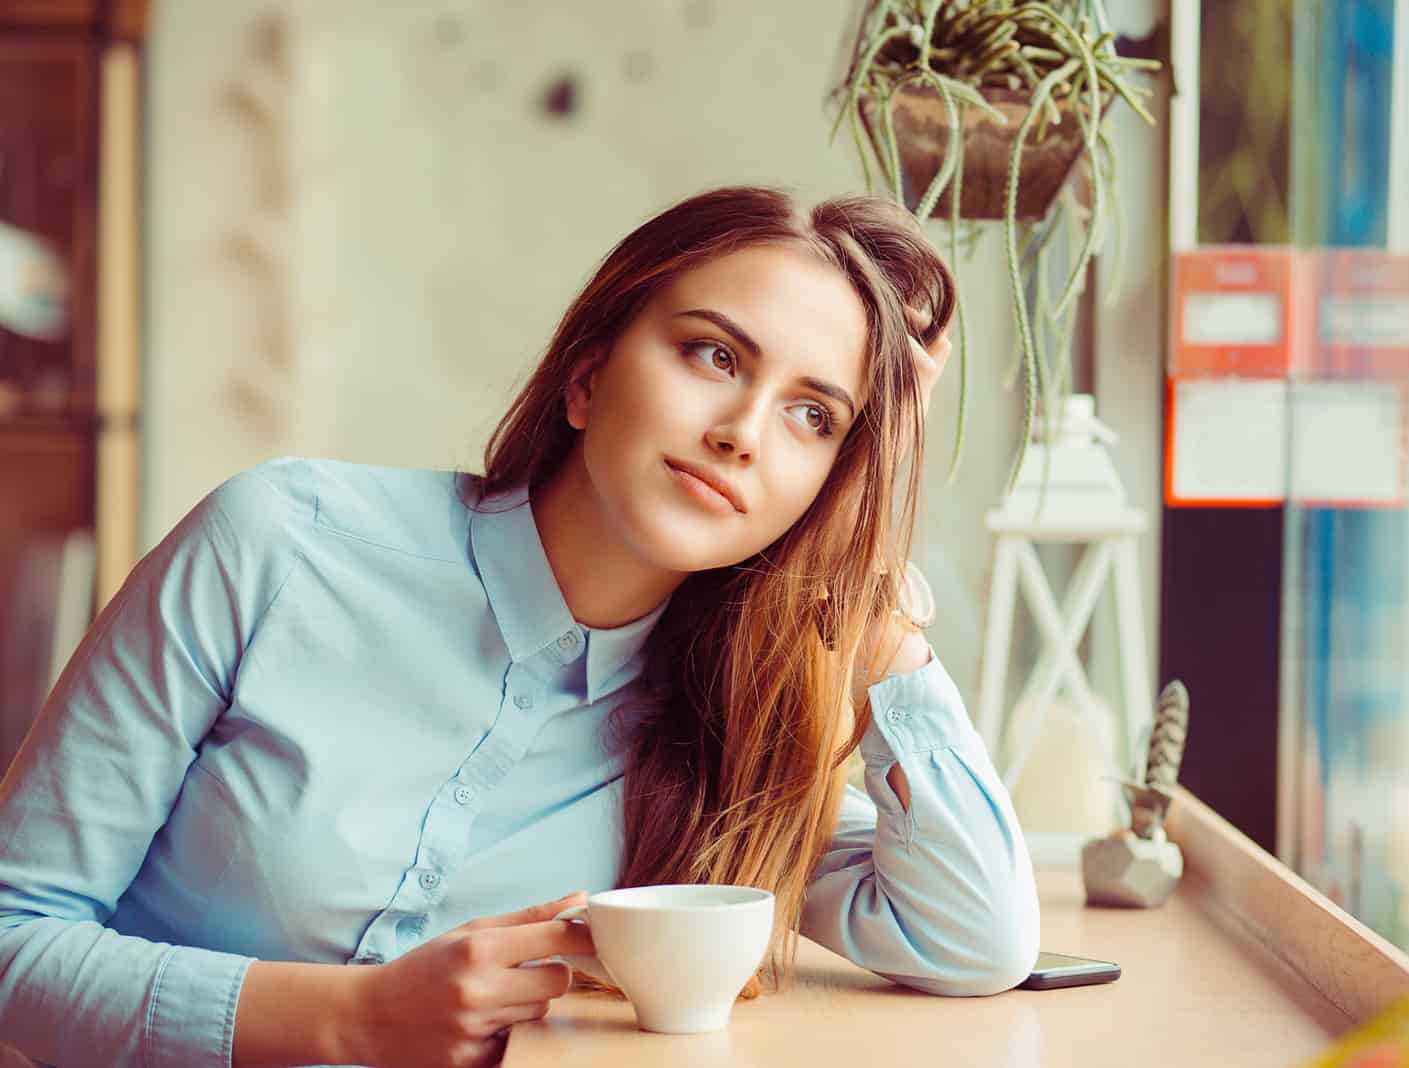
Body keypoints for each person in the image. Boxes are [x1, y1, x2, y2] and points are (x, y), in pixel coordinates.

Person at [0, 186, 1039, 1068]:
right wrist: (355, 1020)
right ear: (587, 376)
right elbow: (14, 944)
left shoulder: (728, 730)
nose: (741, 435)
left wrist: (866, 594)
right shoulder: (280, 543)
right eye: (713, 356)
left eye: (814, 416)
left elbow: (970, 937)